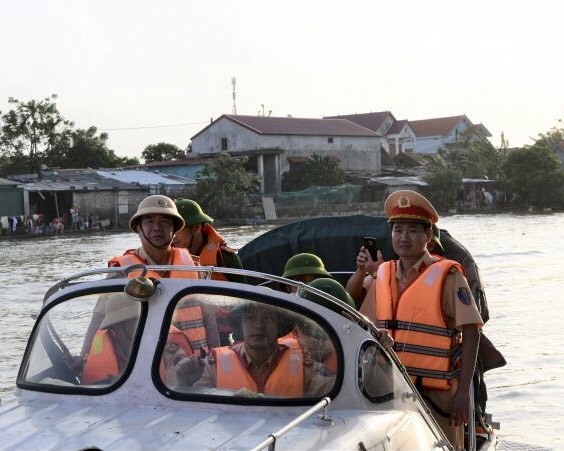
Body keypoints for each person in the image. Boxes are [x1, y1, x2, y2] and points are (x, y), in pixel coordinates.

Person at [358, 190, 483, 450]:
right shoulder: (382, 274)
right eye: (398, 230)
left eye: (413, 230)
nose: (403, 238)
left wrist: (463, 394)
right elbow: (363, 325)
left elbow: (472, 332)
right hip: (390, 393)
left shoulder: (448, 277)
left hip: (438, 398)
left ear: (428, 235)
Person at [79, 195, 216, 383]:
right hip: (153, 372)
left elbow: (209, 319)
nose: (157, 227)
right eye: (149, 221)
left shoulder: (193, 266)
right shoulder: (122, 271)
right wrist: (83, 356)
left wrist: (213, 358)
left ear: (175, 229)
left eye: (165, 222)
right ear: (139, 229)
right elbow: (99, 316)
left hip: (199, 368)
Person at [174, 302, 335, 397]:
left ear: (279, 326)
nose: (258, 325)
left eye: (267, 318)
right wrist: (185, 382)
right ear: (240, 326)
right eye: (250, 318)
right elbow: (188, 405)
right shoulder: (213, 365)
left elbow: (334, 393)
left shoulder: (303, 366)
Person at [173, 199, 244, 281]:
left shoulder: (225, 258)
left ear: (197, 227)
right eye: (171, 229)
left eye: (178, 229)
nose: (173, 235)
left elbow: (243, 291)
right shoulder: (165, 256)